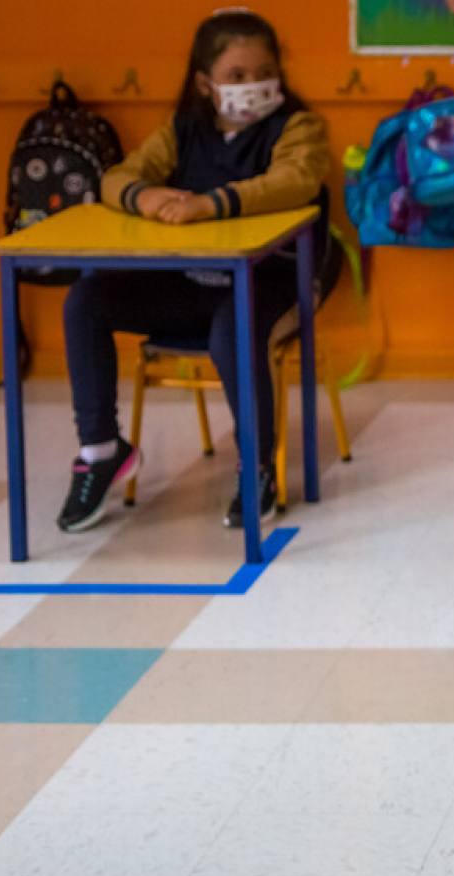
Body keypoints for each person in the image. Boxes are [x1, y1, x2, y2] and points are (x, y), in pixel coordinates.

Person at [58, 7, 329, 533]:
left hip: (277, 281)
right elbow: (118, 178)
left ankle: (257, 467)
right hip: (192, 282)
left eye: (263, 72)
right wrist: (146, 195)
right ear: (205, 84)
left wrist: (213, 204)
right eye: (236, 77)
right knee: (85, 300)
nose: (253, 85)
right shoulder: (182, 131)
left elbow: (295, 181)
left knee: (233, 328)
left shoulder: (299, 127)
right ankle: (100, 450)